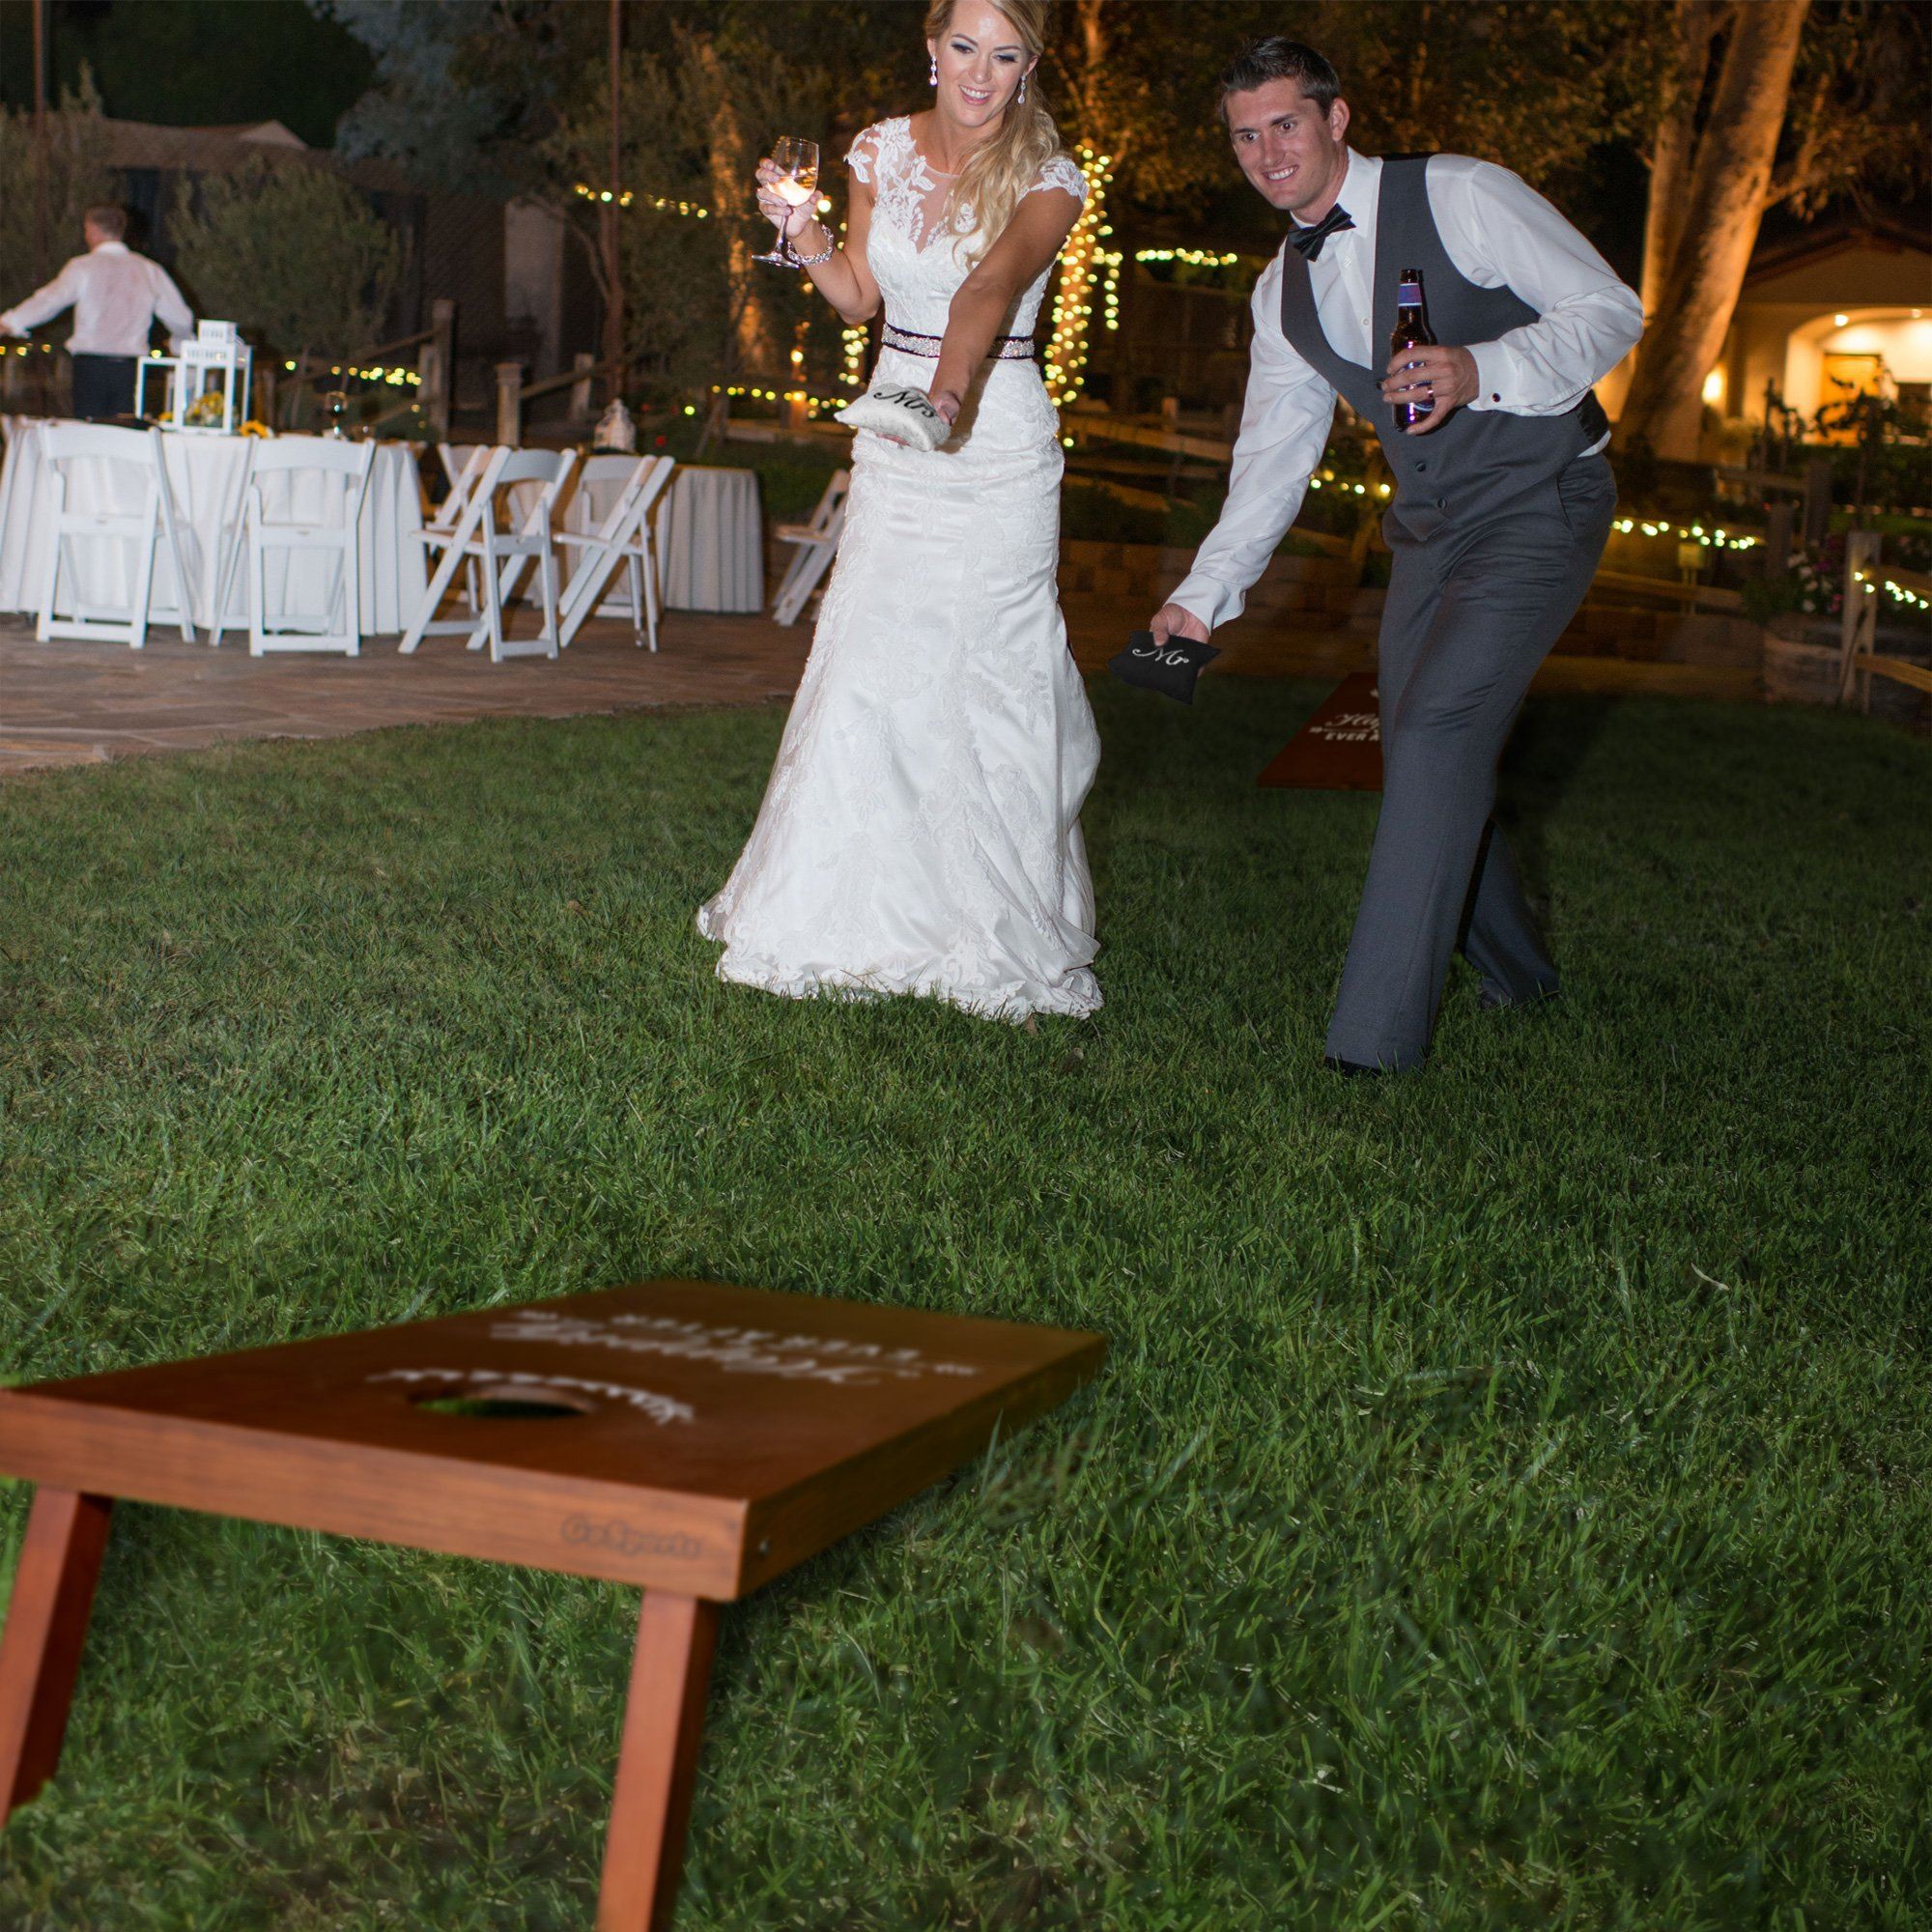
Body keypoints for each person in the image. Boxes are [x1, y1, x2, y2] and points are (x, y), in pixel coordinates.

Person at [1150, 38, 1643, 1075]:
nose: (1265, 151)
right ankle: (1517, 972)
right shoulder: (1279, 293)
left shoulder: (1460, 193)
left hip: (1539, 496)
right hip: (1428, 527)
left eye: (1284, 122)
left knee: (1431, 726)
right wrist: (1202, 599)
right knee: (1418, 742)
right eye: (1244, 134)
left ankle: (1372, 1043)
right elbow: (1269, 463)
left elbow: (1610, 309)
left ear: (1335, 119)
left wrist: (1481, 364)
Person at [696, 0, 1102, 1023]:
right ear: (931, 48)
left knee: (987, 670)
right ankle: (841, 910)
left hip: (993, 438)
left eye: (1004, 55)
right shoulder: (877, 148)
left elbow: (988, 291)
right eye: (963, 46)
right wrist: (801, 231)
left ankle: (993, 926)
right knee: (871, 663)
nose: (979, 72)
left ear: (1028, 67)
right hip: (893, 432)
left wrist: (948, 399)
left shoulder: (1054, 177)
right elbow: (856, 297)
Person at [0, 205, 195, 422]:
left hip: (90, 369)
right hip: (130, 371)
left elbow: (49, 301)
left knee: (89, 434)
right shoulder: (149, 270)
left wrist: (9, 322)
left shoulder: (83, 267)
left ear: (92, 230)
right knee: (125, 433)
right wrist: (182, 343)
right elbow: (181, 318)